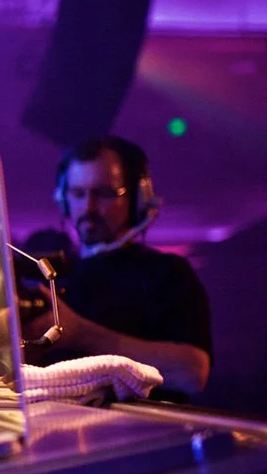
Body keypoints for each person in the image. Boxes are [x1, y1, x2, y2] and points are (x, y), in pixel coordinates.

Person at [23, 136, 212, 401]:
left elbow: (193, 374)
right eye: (77, 193)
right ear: (63, 200)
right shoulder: (56, 270)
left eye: (104, 194)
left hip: (143, 435)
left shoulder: (168, 273)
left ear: (137, 198)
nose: (88, 207)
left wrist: (81, 334)